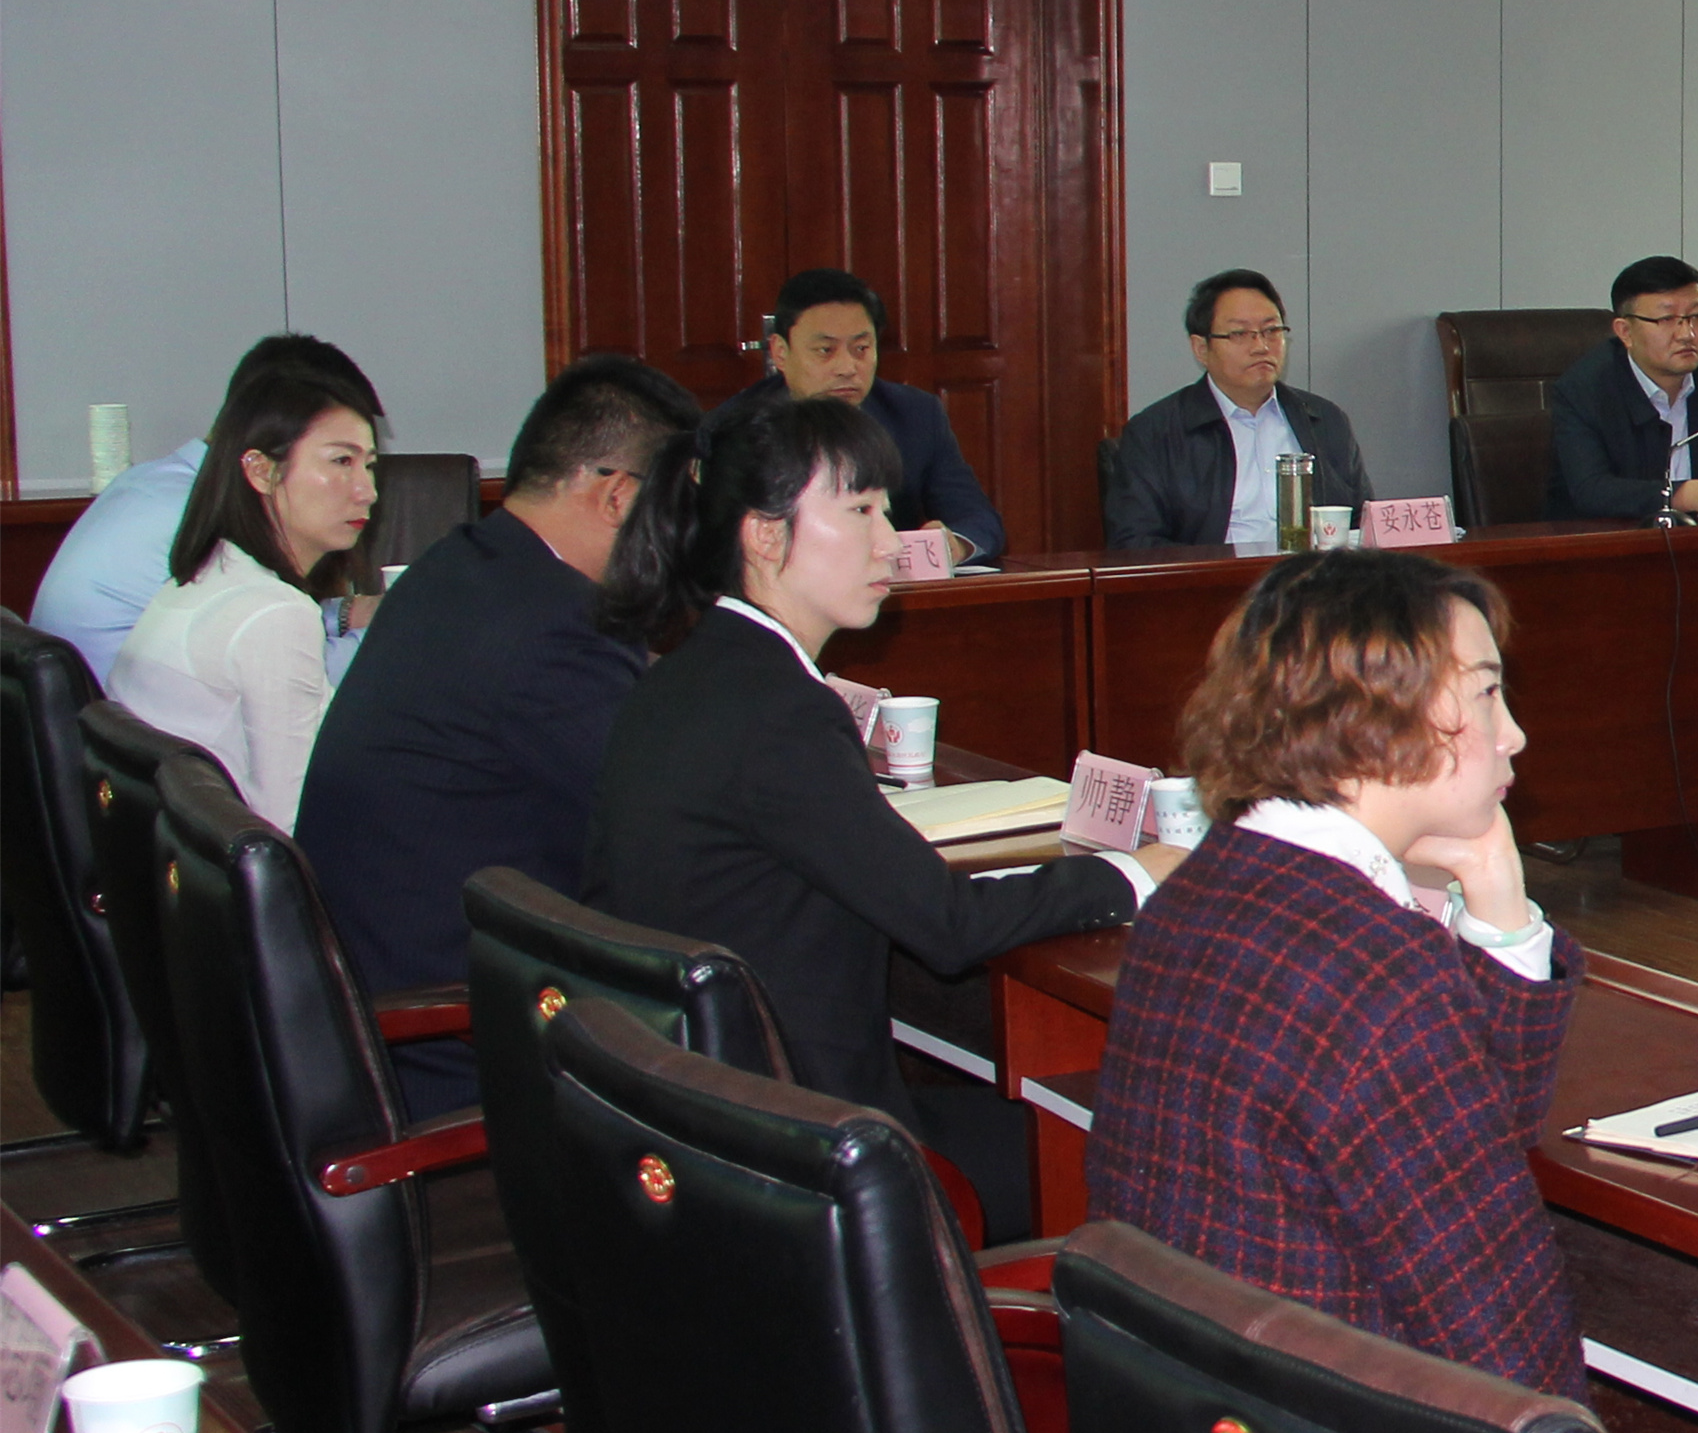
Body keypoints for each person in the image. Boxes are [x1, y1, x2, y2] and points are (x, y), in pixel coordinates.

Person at [590, 396, 1174, 1240]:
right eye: (860, 510)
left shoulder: (693, 673)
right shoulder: (776, 712)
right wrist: (1131, 874)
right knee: (1139, 1154)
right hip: (812, 1155)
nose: (890, 541)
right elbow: (948, 925)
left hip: (715, 1122)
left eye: (886, 511)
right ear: (765, 536)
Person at [1088, 553, 1575, 1389]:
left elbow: (1486, 1134)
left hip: (1190, 1415)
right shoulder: (1376, 969)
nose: (1514, 735)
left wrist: (1497, 896)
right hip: (1330, 1431)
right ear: (1381, 713)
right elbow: (1502, 1336)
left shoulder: (1206, 885)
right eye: (1488, 693)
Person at [297, 356, 695, 1115]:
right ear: (619, 496)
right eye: (680, 507)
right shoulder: (553, 630)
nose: (685, 536)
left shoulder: (463, 566)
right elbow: (669, 827)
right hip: (450, 1040)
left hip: (374, 997)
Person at [113, 360, 378, 829]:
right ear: (261, 471)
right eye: (342, 461)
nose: (368, 491)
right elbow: (291, 823)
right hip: (228, 867)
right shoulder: (275, 614)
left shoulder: (205, 573)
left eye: (370, 465)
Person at [30, 333, 380, 686]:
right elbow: (294, 676)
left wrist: (345, 614)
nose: (367, 492)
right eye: (340, 457)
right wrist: (406, 632)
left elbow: (252, 630)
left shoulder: (153, 481)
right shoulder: (205, 516)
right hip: (136, 714)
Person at [739, 269, 1005, 562]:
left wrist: (955, 544)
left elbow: (977, 519)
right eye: (825, 350)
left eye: (861, 349)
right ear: (780, 352)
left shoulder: (915, 415)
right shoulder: (736, 426)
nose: (847, 367)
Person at [1102, 270, 1377, 553]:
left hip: (1313, 577)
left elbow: (1364, 526)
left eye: (1272, 331)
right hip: (1215, 578)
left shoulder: (1324, 420)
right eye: (1239, 334)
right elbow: (1134, 543)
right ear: (1201, 348)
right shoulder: (1155, 433)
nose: (1261, 346)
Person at [1550, 253, 1698, 523]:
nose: (1687, 334)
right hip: (1610, 538)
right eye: (1667, 319)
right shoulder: (1585, 389)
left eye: (1696, 316)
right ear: (1625, 332)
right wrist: (1683, 495)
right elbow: (1591, 490)